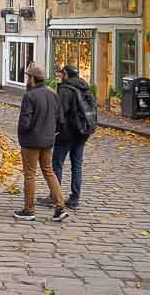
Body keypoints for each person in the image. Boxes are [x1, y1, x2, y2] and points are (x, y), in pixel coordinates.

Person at [13, 65, 69, 222]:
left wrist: (23, 134)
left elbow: (25, 122)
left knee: (30, 174)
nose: (26, 80)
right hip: (48, 140)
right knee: (49, 171)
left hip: (31, 141)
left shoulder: (29, 96)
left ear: (32, 78)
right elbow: (60, 119)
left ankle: (29, 209)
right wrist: (52, 132)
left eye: (28, 77)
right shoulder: (52, 94)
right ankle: (60, 206)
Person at [44, 65, 96, 209]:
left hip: (67, 133)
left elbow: (59, 112)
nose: (61, 76)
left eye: (62, 74)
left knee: (57, 164)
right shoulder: (85, 87)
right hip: (82, 132)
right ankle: (75, 198)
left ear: (66, 74)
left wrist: (55, 130)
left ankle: (55, 196)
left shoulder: (66, 89)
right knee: (77, 165)